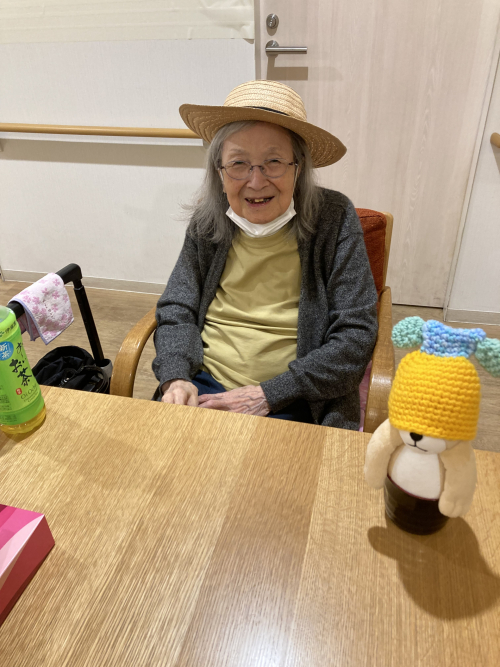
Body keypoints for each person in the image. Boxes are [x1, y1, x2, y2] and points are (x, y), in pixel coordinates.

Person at [152, 80, 378, 430]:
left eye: (273, 161)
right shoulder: (207, 221)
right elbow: (177, 306)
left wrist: (268, 394)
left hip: (298, 395)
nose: (256, 182)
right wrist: (177, 376)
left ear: (298, 167)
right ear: (219, 171)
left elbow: (356, 335)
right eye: (238, 163)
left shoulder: (334, 218)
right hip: (202, 384)